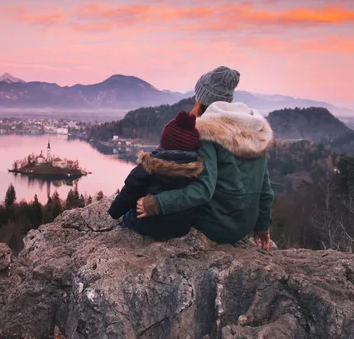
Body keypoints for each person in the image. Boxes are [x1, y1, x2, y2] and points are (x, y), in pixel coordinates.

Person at [136, 66, 275, 250]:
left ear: (202, 99)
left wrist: (158, 204)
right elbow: (265, 190)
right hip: (245, 225)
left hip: (217, 225)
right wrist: (262, 227)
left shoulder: (208, 132)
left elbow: (203, 189)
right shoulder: (251, 127)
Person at [107, 110, 204, 240]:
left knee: (129, 217)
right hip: (182, 226)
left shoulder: (147, 168)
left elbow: (128, 194)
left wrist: (114, 212)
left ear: (164, 143)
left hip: (147, 224)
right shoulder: (197, 169)